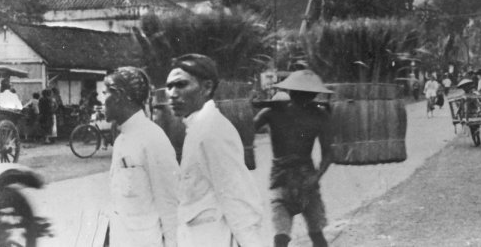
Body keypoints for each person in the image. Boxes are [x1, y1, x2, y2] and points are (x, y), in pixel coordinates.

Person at [167, 53, 265, 247]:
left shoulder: (212, 131)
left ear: (207, 87)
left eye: (181, 85)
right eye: (169, 86)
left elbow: (238, 198)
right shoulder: (197, 128)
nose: (172, 93)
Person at [254, 69, 333, 247]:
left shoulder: (320, 116)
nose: (302, 98)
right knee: (281, 236)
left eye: (307, 94)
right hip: (281, 179)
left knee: (316, 233)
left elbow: (329, 153)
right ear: (289, 92)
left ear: (314, 95)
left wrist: (316, 177)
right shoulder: (271, 112)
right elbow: (245, 133)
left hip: (306, 179)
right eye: (298, 93)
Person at [104, 66, 179, 247]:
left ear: (119, 96)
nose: (102, 99)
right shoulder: (121, 140)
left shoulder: (152, 139)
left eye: (105, 93)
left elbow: (171, 207)